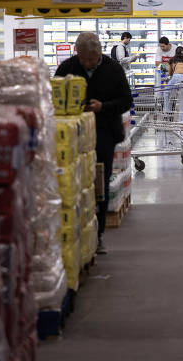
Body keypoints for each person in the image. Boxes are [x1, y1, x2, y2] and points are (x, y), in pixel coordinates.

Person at [55, 32, 132, 255]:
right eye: (83, 59)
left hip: (104, 133)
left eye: (91, 59)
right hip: (71, 136)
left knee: (99, 182)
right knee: (72, 181)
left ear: (99, 53)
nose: (87, 63)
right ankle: (72, 231)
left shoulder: (113, 68)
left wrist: (103, 107)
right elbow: (55, 97)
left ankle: (96, 236)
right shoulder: (67, 68)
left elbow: (126, 100)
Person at [166, 46, 183, 124]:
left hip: (176, 77)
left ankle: (167, 111)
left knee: (167, 93)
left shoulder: (172, 60)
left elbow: (170, 73)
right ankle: (182, 122)